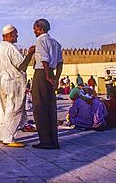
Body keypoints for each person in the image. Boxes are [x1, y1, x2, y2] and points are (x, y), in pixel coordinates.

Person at [0, 24, 35, 147]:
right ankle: (9, 138)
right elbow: (22, 66)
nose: (17, 36)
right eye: (15, 33)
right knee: (14, 108)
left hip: (1, 81)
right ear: (10, 34)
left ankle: (1, 135)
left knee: (3, 107)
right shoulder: (11, 48)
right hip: (13, 81)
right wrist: (30, 54)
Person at [31, 19, 63, 150]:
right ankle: (54, 141)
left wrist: (47, 76)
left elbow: (44, 59)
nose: (33, 31)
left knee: (39, 108)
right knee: (51, 108)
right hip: (51, 74)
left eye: (34, 28)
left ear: (39, 28)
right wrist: (56, 77)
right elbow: (60, 63)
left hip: (41, 74)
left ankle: (45, 141)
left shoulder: (40, 41)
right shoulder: (56, 43)